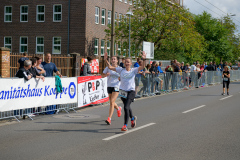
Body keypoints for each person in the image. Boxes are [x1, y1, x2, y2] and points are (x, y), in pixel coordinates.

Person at [104, 51, 146, 131]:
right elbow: (110, 67)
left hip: (131, 91)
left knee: (126, 107)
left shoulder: (134, 70)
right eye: (125, 62)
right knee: (127, 107)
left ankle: (125, 125)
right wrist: (106, 60)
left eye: (128, 62)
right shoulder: (120, 70)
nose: (126, 63)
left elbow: (142, 66)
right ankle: (132, 118)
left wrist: (144, 59)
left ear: (130, 63)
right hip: (123, 92)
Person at [102, 56, 122, 125]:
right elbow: (102, 75)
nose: (113, 60)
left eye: (114, 59)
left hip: (116, 86)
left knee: (112, 101)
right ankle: (118, 108)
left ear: (117, 61)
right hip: (109, 85)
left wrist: (120, 78)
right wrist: (105, 75)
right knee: (111, 102)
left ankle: (109, 118)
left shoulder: (119, 69)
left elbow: (123, 76)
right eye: (112, 59)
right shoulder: (108, 68)